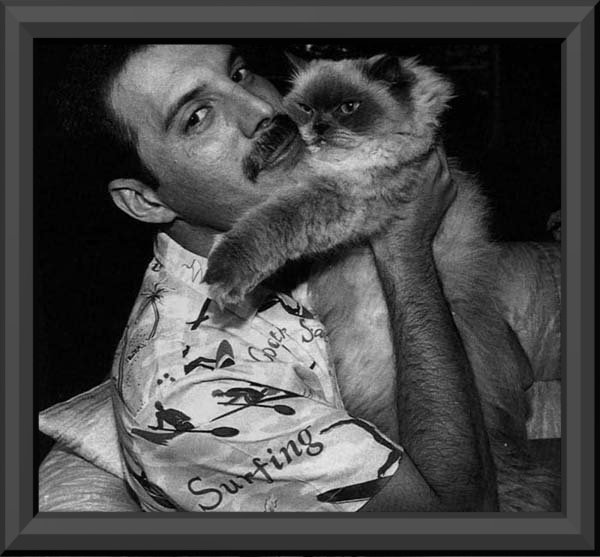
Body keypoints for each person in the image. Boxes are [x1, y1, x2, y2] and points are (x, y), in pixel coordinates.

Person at [52, 44, 498, 512]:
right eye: (197, 117)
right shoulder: (199, 403)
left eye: (239, 73)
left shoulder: (301, 234)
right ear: (145, 202)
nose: (263, 110)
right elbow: (462, 519)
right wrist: (405, 250)